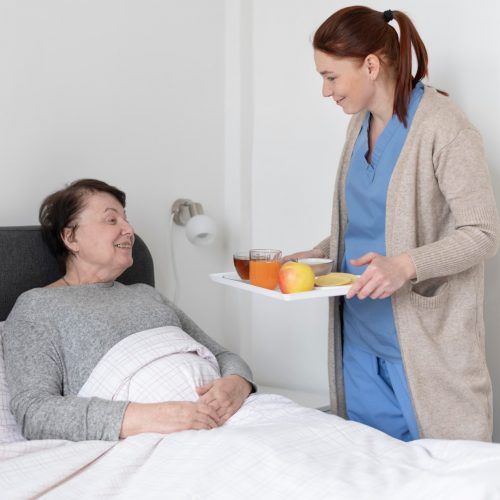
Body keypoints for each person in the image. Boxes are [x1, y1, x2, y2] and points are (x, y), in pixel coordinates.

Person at [286, 6, 499, 441]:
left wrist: (404, 265)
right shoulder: (359, 126)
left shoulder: (445, 128)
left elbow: (484, 233)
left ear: (370, 65)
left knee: (449, 478)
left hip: (424, 349)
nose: (325, 91)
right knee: (372, 475)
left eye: (331, 76)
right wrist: (321, 253)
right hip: (360, 340)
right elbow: (370, 222)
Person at [2, 179, 255, 441]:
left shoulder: (146, 294)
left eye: (126, 220)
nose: (129, 230)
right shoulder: (38, 306)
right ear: (71, 237)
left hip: (231, 417)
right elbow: (35, 412)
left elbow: (223, 355)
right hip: (154, 436)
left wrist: (237, 384)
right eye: (112, 221)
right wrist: (156, 417)